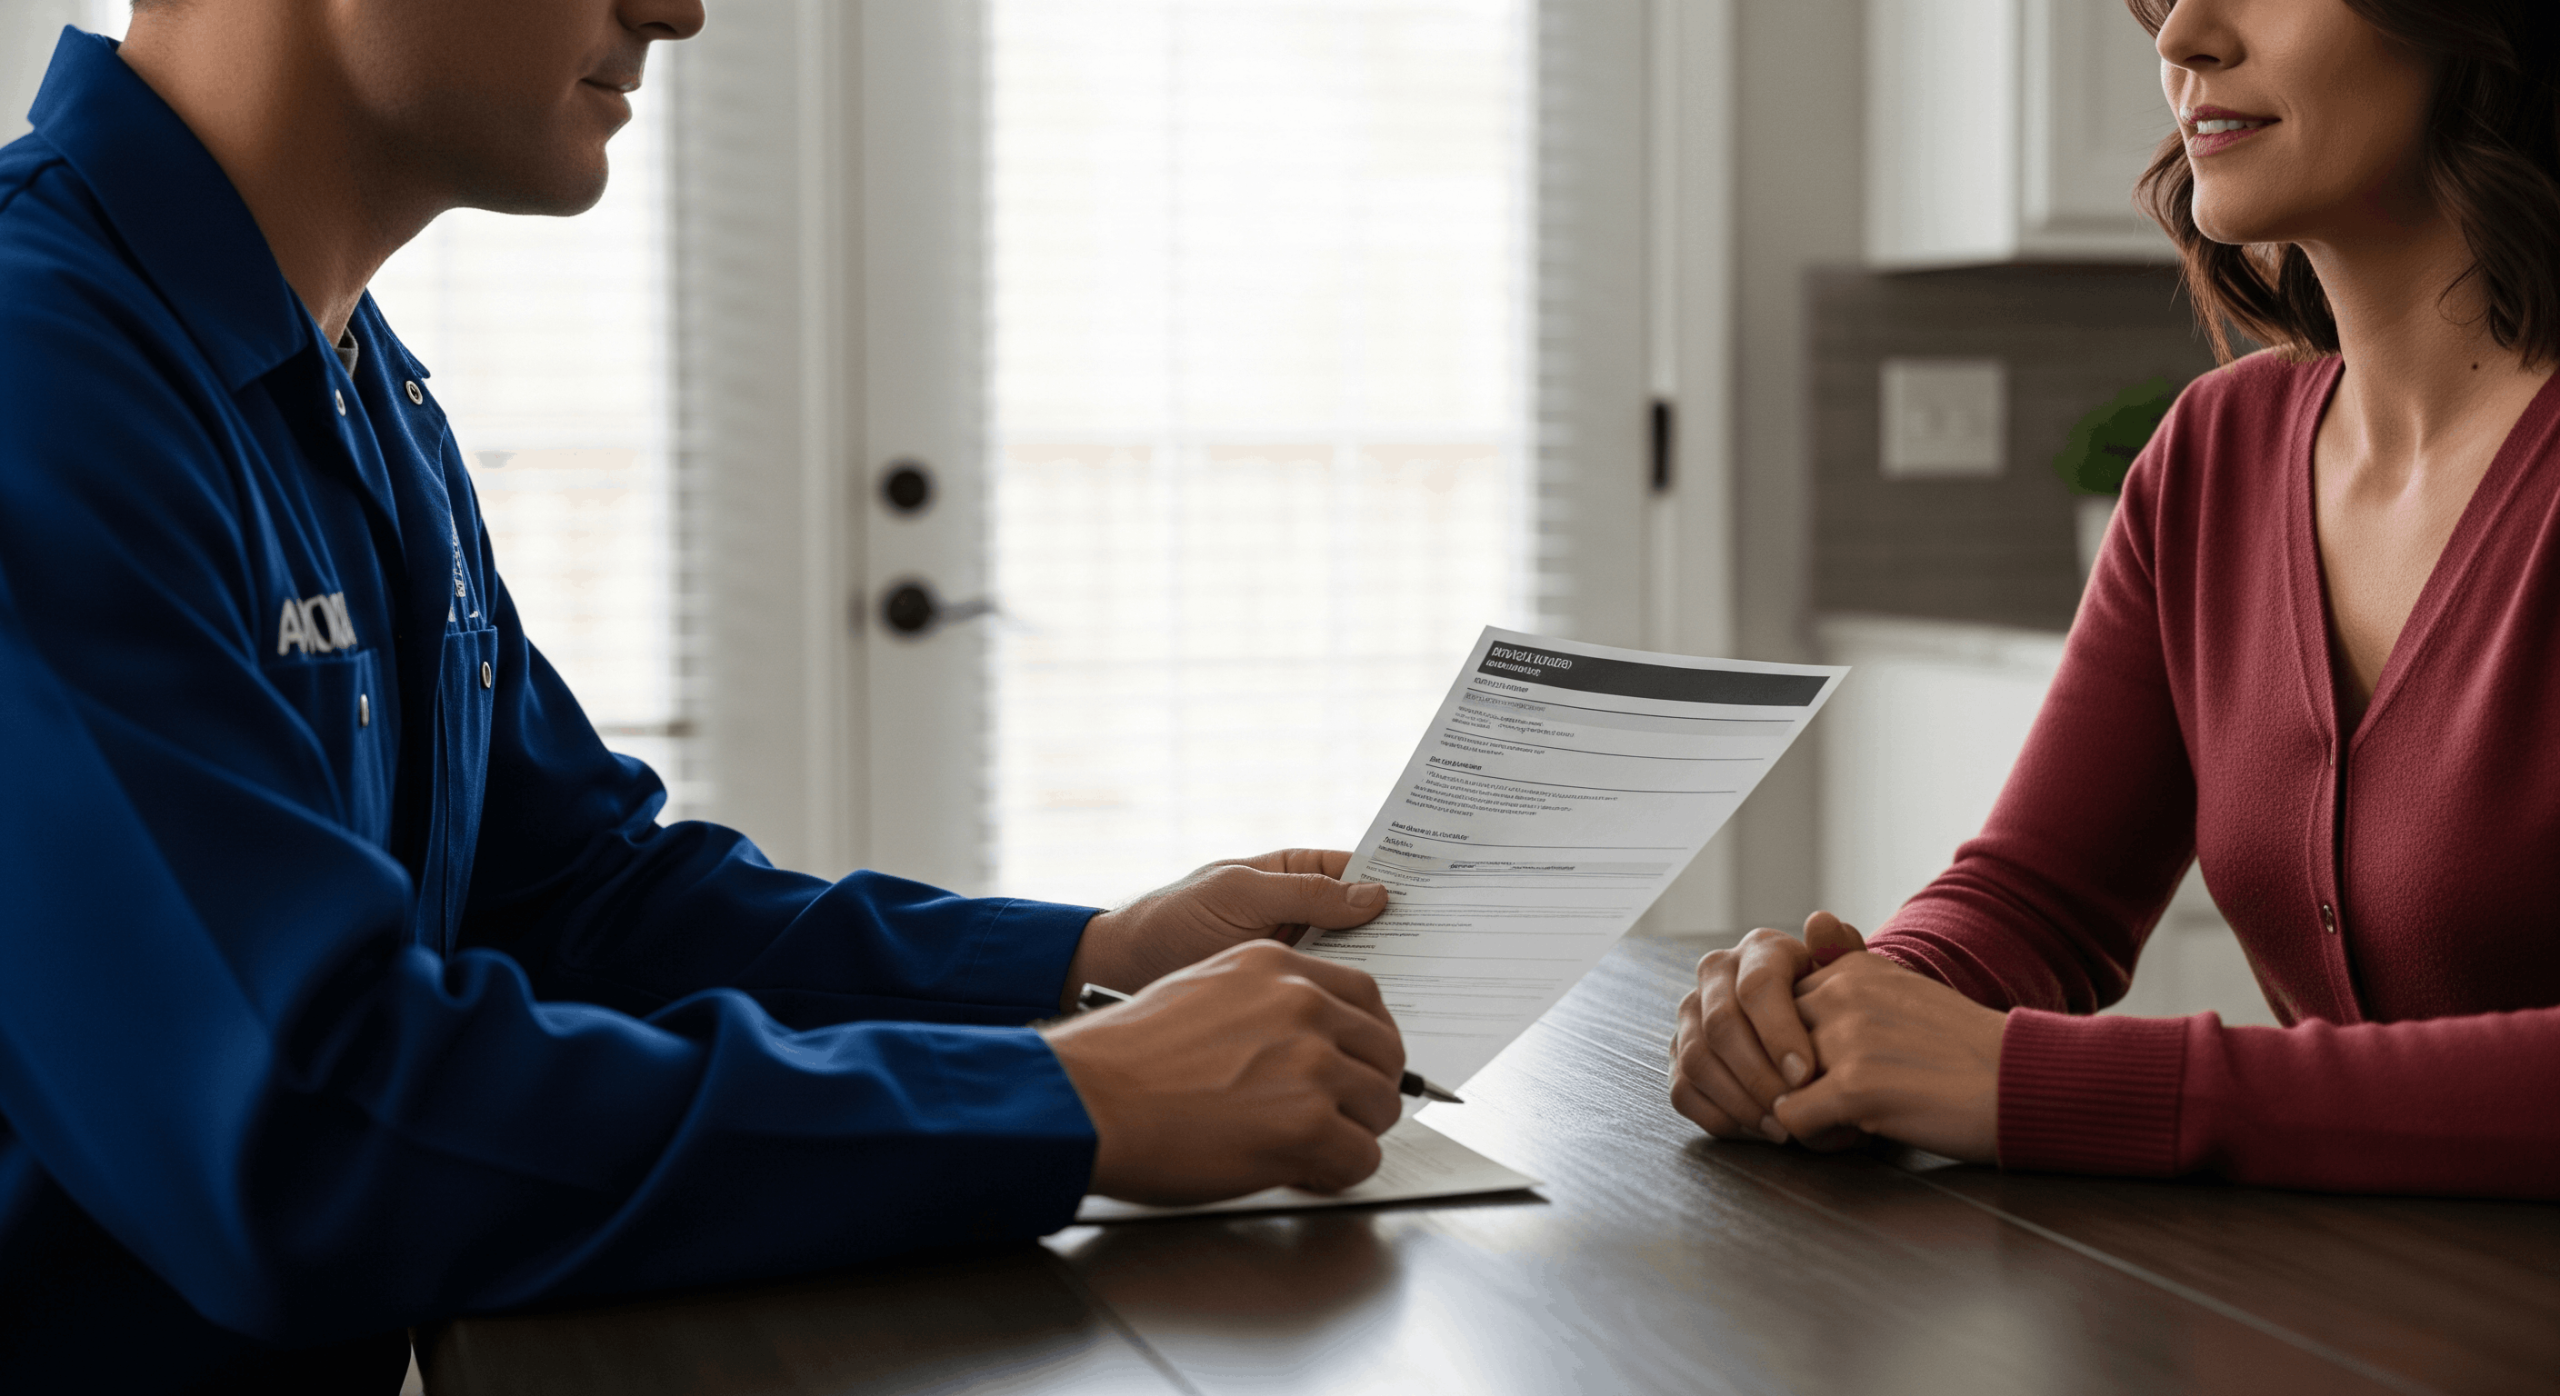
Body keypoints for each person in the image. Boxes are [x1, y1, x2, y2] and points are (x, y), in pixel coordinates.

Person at [0, 5, 1409, 1388]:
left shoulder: (354, 385)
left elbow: (580, 905)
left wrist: (1091, 962)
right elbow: (295, 1129)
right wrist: (1073, 1101)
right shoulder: (40, 369)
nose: (675, 11)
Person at [1671, 0, 2560, 1197]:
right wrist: (1853, 1007)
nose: (2180, 34)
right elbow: (2036, 897)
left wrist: (2032, 1083)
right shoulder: (2215, 455)